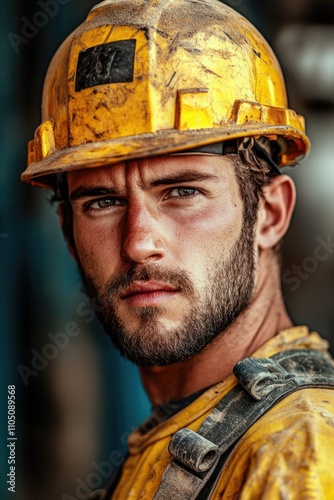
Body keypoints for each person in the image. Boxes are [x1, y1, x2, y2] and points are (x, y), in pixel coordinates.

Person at [21, 0, 334, 497]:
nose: (139, 242)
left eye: (183, 192)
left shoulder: (299, 455)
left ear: (270, 215)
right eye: (102, 202)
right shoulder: (182, 438)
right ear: (66, 230)